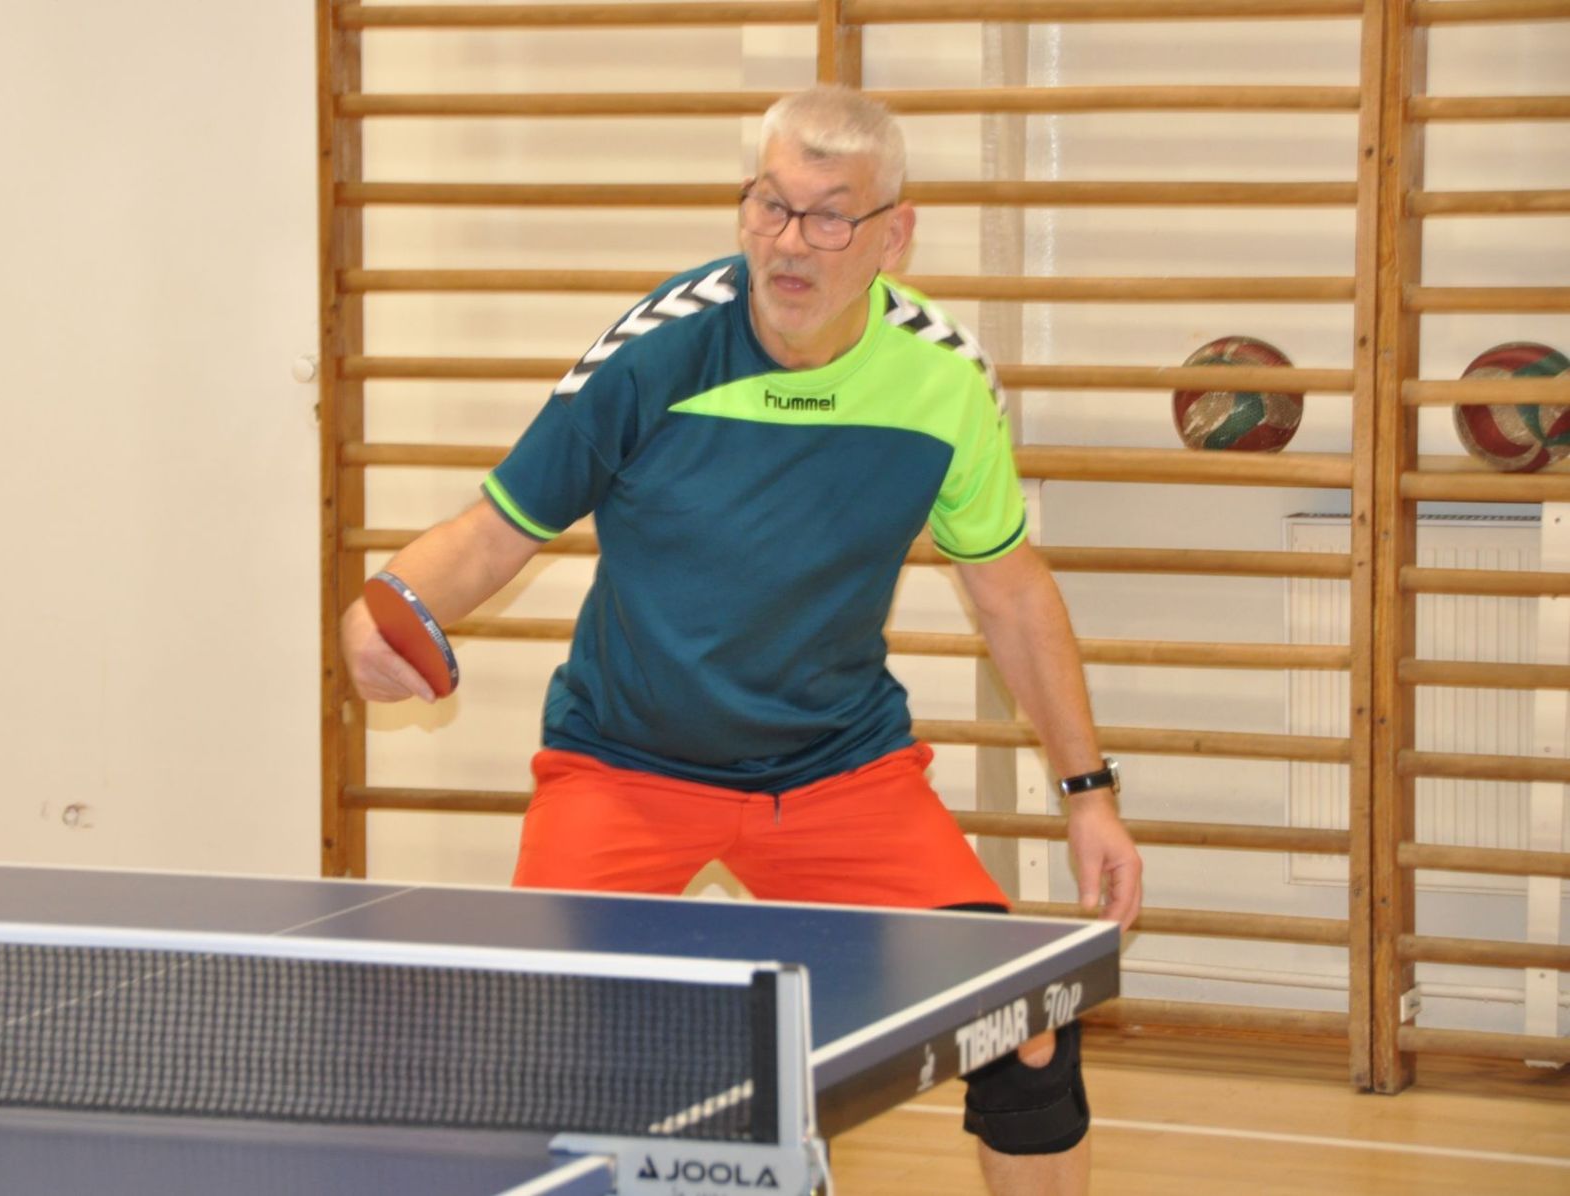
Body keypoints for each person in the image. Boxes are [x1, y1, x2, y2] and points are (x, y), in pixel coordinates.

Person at [341, 84, 1142, 1195]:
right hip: (624, 768)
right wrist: (380, 603)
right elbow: (491, 533)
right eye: (771, 205)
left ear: (895, 234)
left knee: (1028, 1029)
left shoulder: (943, 378)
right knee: (555, 1052)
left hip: (839, 774)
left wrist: (1089, 794)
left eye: (830, 216)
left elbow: (1010, 593)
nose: (790, 242)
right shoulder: (655, 353)